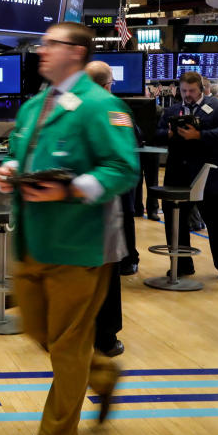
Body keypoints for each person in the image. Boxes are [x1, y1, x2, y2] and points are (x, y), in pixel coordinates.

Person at [0, 22, 139, 435]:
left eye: (50, 44)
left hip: (80, 245)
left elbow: (123, 167)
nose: (41, 50)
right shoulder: (36, 105)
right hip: (34, 243)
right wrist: (10, 169)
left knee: (67, 343)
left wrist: (72, 189)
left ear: (75, 52)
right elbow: (26, 153)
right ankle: (101, 374)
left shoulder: (101, 106)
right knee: (40, 332)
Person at [156, 70, 218, 281]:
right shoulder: (172, 110)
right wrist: (169, 134)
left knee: (217, 223)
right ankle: (182, 265)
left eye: (192, 90)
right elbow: (156, 134)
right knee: (176, 222)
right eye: (184, 90)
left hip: (210, 175)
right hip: (178, 175)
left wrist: (199, 135)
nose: (188, 94)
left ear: (201, 89)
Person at [85, 61, 133, 358]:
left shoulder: (64, 107)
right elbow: (126, 161)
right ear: (108, 84)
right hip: (101, 209)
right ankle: (105, 338)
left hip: (68, 213)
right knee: (105, 277)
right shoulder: (115, 109)